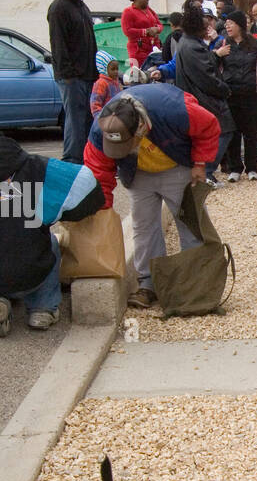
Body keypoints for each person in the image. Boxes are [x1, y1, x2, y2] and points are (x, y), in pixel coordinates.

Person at [84, 83, 219, 309]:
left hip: (177, 166)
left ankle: (195, 284)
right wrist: (102, 209)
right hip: (137, 174)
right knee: (143, 227)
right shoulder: (101, 130)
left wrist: (199, 162)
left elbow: (209, 126)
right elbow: (98, 173)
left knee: (190, 223)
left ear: (140, 128)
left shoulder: (175, 110)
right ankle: (149, 284)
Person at [0, 134, 104, 334]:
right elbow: (85, 182)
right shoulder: (37, 168)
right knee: (50, 241)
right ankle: (42, 308)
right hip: (30, 271)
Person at [167, 0, 233, 188]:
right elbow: (206, 77)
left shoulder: (188, 43)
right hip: (205, 98)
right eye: (204, 26)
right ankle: (208, 172)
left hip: (195, 96)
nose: (208, 28)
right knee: (223, 131)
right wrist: (225, 90)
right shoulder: (193, 46)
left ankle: (205, 171)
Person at [46, 0, 98, 163]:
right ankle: (71, 161)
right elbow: (58, 45)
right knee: (75, 122)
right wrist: (68, 75)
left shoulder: (82, 7)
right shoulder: (59, 8)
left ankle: (87, 160)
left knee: (87, 119)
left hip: (88, 74)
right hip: (71, 78)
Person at [215, 9, 257, 182]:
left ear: (240, 25)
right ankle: (235, 168)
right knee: (233, 132)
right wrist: (217, 55)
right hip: (230, 94)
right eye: (226, 24)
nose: (227, 26)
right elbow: (211, 65)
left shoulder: (256, 45)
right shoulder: (223, 44)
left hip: (252, 95)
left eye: (231, 23)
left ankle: (252, 167)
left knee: (252, 132)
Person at [121, 0, 162, 69]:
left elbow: (159, 24)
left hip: (154, 49)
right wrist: (145, 32)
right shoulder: (128, 12)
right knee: (139, 74)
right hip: (138, 50)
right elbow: (127, 31)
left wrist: (156, 29)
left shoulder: (149, 10)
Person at [90, 51, 122, 117]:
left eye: (117, 69)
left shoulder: (116, 81)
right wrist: (98, 117)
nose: (116, 71)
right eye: (113, 69)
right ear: (104, 69)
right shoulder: (101, 83)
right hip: (105, 117)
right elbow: (95, 103)